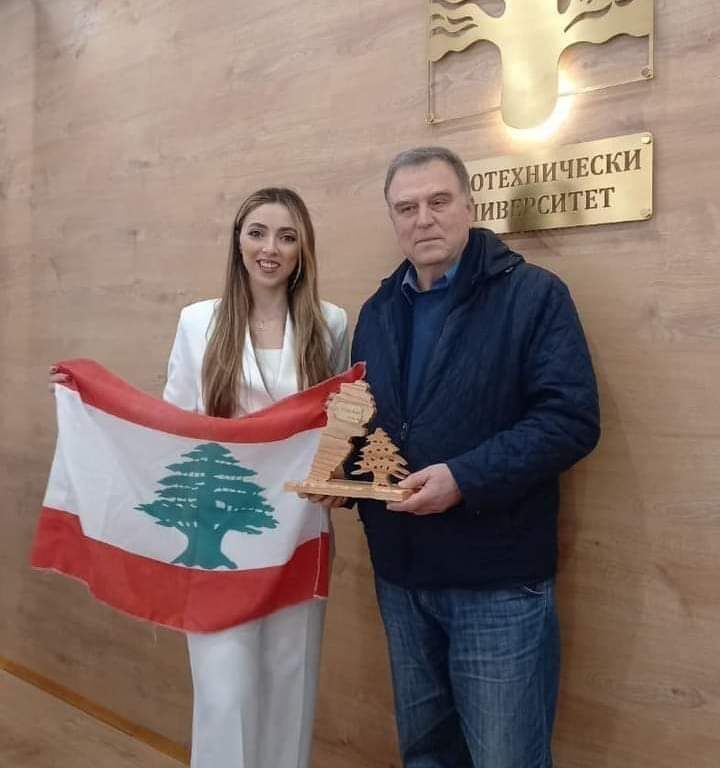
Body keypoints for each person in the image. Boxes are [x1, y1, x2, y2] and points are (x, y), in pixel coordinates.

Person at [50, 187, 349, 768]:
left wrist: (336, 470)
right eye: (257, 232)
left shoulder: (330, 322)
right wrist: (90, 396)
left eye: (287, 236)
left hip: (299, 529)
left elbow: (336, 425)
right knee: (224, 692)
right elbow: (173, 423)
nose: (270, 248)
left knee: (290, 682)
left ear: (303, 249)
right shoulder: (199, 322)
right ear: (237, 241)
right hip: (219, 533)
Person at [350, 147, 600, 768]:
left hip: (497, 583)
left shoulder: (534, 296)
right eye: (406, 208)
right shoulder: (377, 313)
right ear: (392, 218)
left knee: (505, 759)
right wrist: (346, 480)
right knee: (426, 755)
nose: (423, 219)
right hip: (402, 578)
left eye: (438, 201)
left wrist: (465, 477)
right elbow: (366, 425)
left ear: (470, 204)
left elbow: (570, 420)